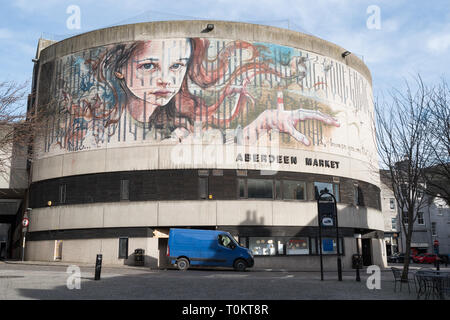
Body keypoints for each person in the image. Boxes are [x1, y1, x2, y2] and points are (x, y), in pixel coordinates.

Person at [56, 38, 339, 150]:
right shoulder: (96, 128)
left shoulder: (182, 120)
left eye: (177, 66)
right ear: (119, 70)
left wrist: (264, 120)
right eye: (148, 65)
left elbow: (225, 145)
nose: (166, 79)